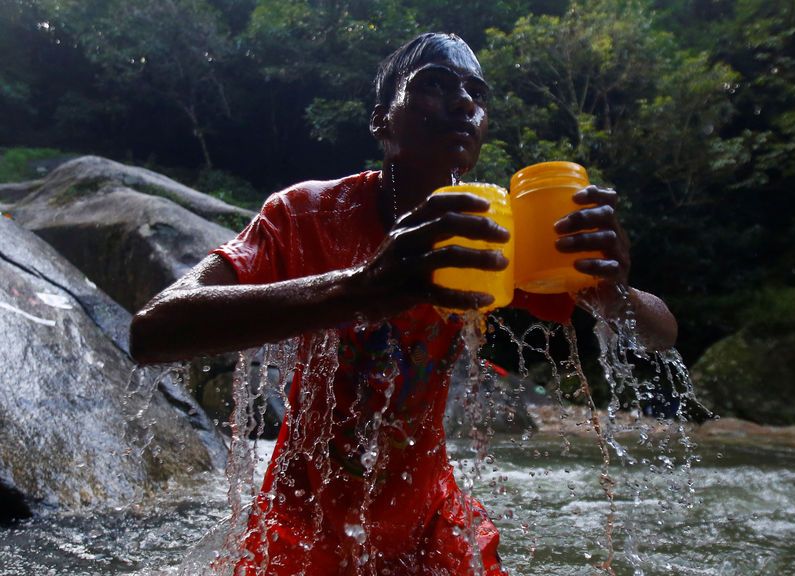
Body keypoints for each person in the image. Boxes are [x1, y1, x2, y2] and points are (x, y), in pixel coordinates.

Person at [130, 32, 677, 576]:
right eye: (435, 85)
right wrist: (362, 288)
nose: (465, 103)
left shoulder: (494, 231)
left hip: (430, 524)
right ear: (380, 121)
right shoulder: (307, 215)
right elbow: (152, 330)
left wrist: (612, 292)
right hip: (303, 522)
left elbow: (658, 335)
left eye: (476, 93)